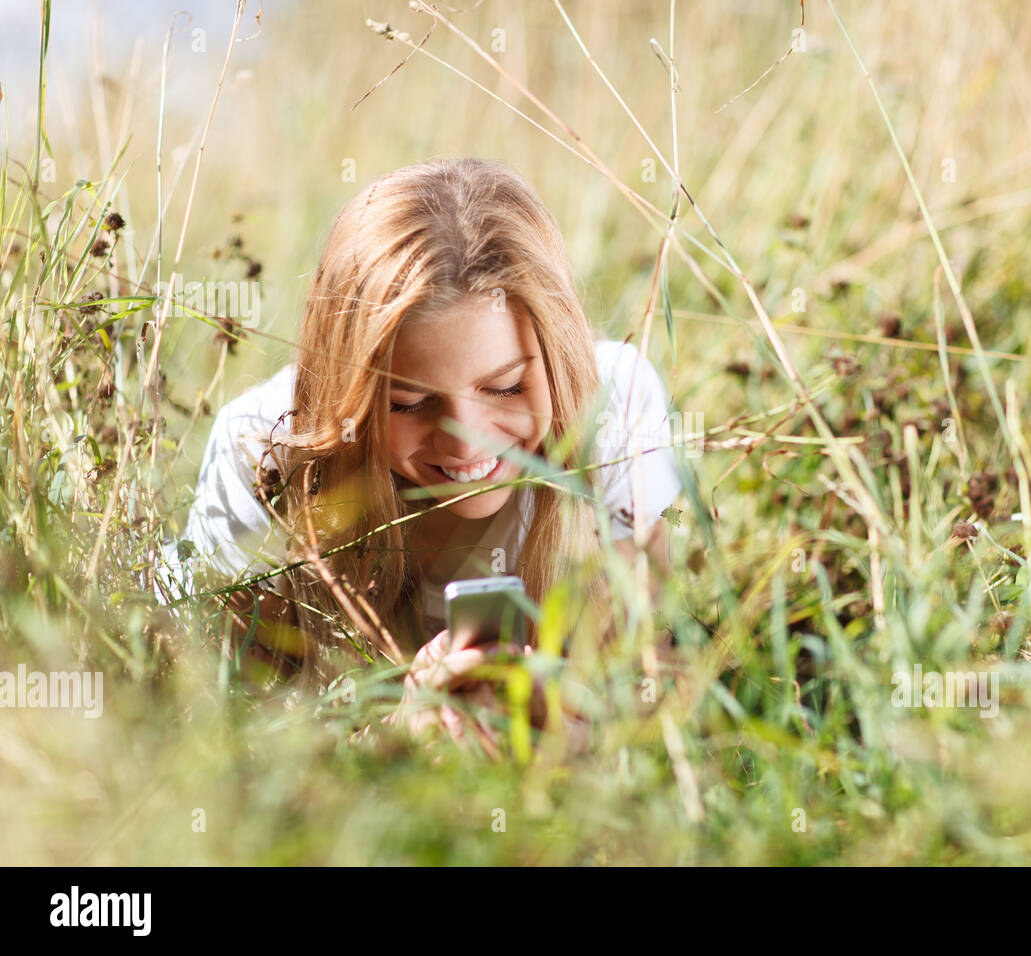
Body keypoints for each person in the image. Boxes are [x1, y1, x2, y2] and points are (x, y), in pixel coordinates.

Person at [160, 157, 683, 754]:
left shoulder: (611, 414)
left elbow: (653, 692)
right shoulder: (264, 452)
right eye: (407, 403)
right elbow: (213, 731)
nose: (467, 442)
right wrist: (394, 742)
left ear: (558, 356)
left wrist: (578, 742)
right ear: (346, 392)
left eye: (506, 387)